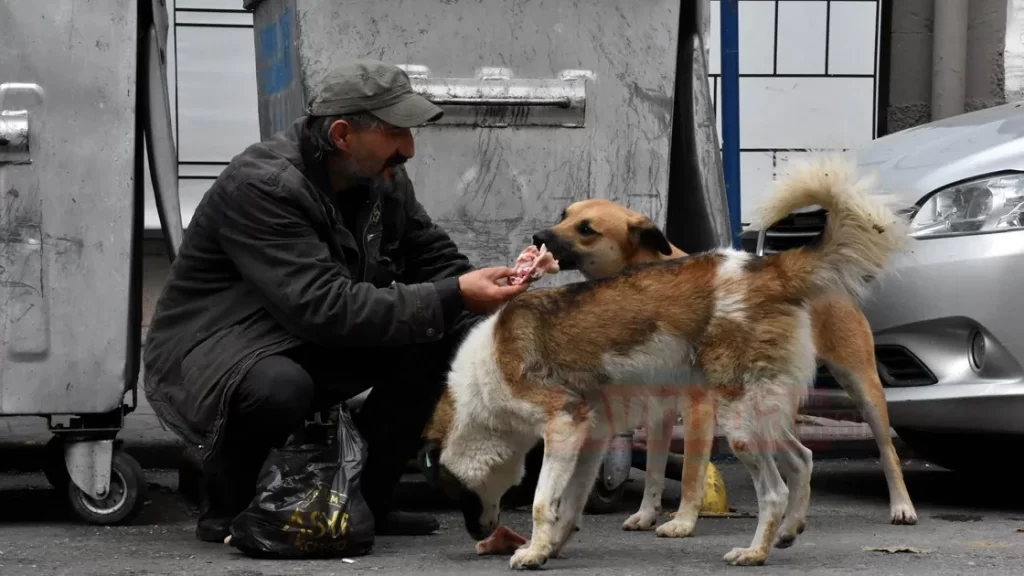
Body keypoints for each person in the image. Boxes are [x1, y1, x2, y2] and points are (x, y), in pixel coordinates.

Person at [141, 59, 529, 542]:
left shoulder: (382, 179)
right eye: (396, 133)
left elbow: (431, 256)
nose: (409, 149)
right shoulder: (263, 185)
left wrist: (495, 294)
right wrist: (454, 294)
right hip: (216, 352)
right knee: (278, 387)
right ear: (344, 134)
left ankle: (364, 500)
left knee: (447, 333)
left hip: (301, 334)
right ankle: (228, 503)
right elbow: (323, 308)